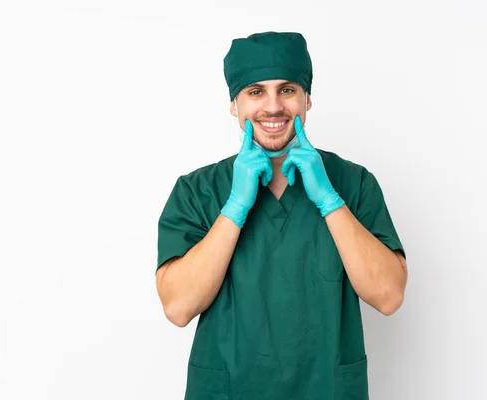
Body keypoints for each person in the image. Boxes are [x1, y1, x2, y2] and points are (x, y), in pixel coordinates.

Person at [155, 31, 408, 400]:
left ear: (307, 99)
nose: (273, 107)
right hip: (228, 390)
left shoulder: (353, 184)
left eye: (287, 90)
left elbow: (389, 296)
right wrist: (235, 207)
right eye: (255, 92)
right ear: (234, 104)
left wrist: (329, 201)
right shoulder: (197, 190)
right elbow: (178, 307)